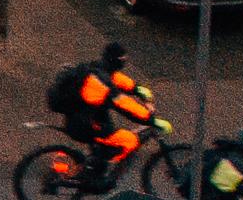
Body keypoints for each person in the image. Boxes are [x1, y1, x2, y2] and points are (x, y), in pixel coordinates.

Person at [48, 41, 165, 172]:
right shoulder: (100, 83)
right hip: (84, 124)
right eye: (122, 59)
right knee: (130, 140)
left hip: (83, 116)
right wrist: (150, 120)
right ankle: (99, 171)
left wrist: (137, 89)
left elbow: (117, 79)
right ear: (115, 60)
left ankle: (96, 162)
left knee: (106, 135)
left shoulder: (98, 68)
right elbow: (124, 105)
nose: (124, 61)